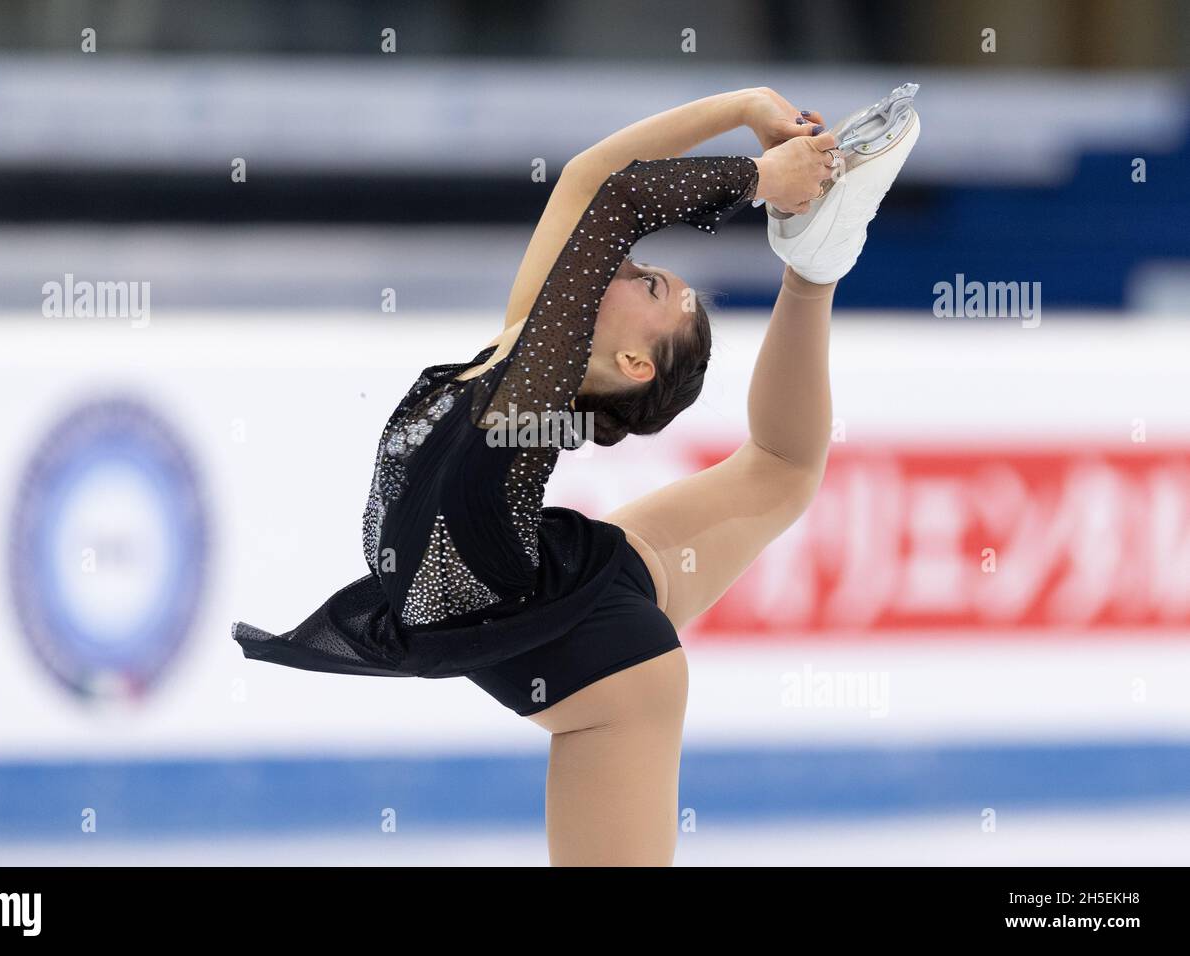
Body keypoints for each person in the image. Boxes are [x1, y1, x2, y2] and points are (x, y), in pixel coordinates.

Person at [235, 84, 920, 865]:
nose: (631, 267)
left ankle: (813, 272)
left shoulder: (536, 385)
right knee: (782, 470)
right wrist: (744, 106)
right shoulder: (521, 344)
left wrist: (770, 179)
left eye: (652, 286)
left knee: (780, 469)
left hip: (615, 678)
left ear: (631, 363)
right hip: (552, 589)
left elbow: (625, 200)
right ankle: (817, 265)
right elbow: (593, 181)